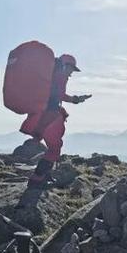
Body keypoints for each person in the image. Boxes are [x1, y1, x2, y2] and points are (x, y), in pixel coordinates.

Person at [20, 54, 91, 188]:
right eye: (71, 69)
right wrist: (75, 100)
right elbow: (58, 95)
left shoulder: (52, 75)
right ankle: (37, 178)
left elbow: (58, 95)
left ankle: (44, 173)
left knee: (51, 146)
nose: (71, 73)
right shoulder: (59, 76)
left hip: (43, 114)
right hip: (50, 115)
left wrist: (76, 99)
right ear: (65, 65)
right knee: (54, 148)